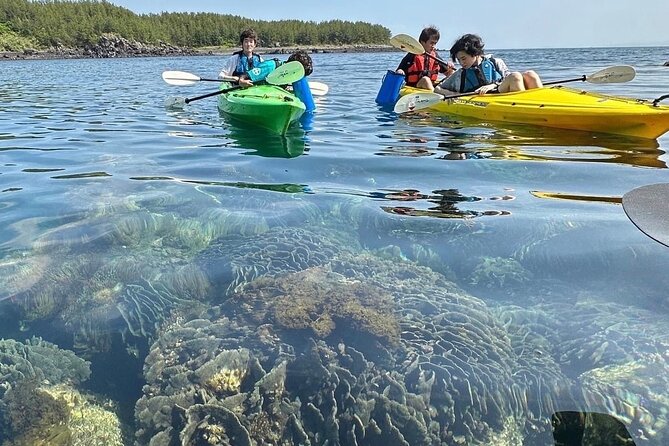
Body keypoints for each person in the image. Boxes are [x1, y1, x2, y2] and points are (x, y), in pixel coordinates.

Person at [435, 33, 542, 96]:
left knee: (530, 74)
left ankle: (543, 102)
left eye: (464, 58)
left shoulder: (495, 62)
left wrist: (492, 85)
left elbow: (506, 79)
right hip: (487, 99)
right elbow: (437, 89)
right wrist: (455, 95)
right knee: (516, 76)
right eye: (459, 60)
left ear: (474, 53)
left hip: (497, 91)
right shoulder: (459, 74)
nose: (462, 63)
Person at [395, 26, 455, 91]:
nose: (434, 46)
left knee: (453, 74)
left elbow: (447, 72)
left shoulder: (434, 55)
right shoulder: (412, 55)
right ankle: (438, 95)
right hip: (415, 86)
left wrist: (450, 67)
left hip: (431, 86)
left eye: (435, 43)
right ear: (422, 42)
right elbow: (399, 70)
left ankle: (454, 93)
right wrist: (400, 71)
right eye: (431, 43)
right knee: (425, 79)